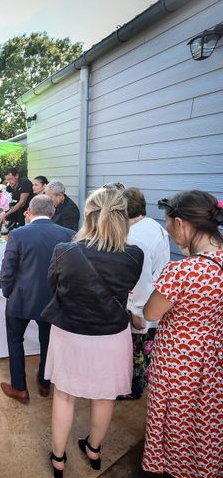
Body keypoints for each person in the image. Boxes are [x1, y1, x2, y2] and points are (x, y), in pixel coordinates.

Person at [41, 187, 143, 477]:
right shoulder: (134, 255)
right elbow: (128, 289)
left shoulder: (65, 251)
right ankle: (94, 449)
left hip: (71, 332)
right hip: (111, 335)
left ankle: (58, 457)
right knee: (104, 396)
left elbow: (54, 287)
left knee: (64, 396)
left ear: (88, 216)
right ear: (123, 218)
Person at [142, 190, 223, 478]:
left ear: (182, 223)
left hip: (179, 358)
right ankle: (205, 467)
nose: (171, 235)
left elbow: (151, 313)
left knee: (176, 418)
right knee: (205, 416)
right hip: (212, 355)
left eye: (170, 227)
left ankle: (177, 468)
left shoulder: (182, 271)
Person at [0, 195, 75, 404]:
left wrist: (8, 293)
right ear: (52, 212)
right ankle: (44, 382)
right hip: (52, 299)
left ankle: (20, 387)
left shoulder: (18, 234)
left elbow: (8, 269)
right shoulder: (69, 234)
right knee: (47, 342)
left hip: (21, 298)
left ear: (29, 212)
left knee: (15, 341)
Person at [119, 187, 170, 400]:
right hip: (155, 298)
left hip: (143, 304)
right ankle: (137, 384)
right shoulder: (153, 226)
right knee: (144, 350)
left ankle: (130, 390)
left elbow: (140, 279)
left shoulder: (135, 237)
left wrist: (135, 310)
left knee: (135, 352)